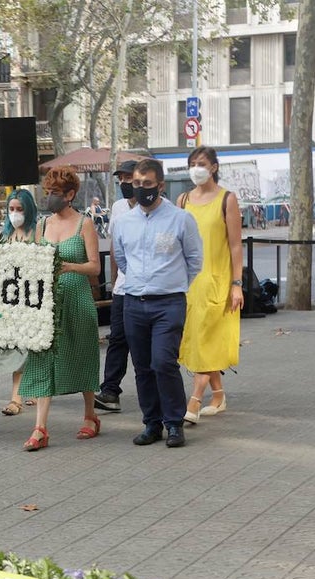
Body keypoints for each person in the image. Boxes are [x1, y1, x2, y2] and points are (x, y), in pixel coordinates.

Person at [112, 158, 202, 448]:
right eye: (136, 184)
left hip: (169, 303)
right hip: (134, 302)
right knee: (142, 367)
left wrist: (173, 285)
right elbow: (122, 259)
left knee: (163, 361)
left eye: (147, 184)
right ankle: (152, 423)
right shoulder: (124, 222)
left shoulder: (180, 218)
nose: (140, 189)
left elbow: (194, 260)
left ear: (160, 186)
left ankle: (174, 423)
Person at [19, 166, 102, 451]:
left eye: (55, 193)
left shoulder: (84, 224)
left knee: (81, 353)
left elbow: (95, 267)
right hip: (48, 303)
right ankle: (40, 427)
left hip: (77, 297)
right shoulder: (41, 226)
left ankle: (90, 415)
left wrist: (68, 267)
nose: (50, 198)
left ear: (70, 195)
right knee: (43, 358)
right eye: (48, 192)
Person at [177, 146, 243, 425]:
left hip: (217, 280)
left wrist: (236, 283)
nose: (196, 168)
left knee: (208, 337)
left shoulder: (227, 199)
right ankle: (218, 395)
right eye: (192, 163)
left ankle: (194, 399)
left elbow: (236, 245)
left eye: (201, 163)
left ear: (214, 167)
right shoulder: (182, 200)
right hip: (187, 284)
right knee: (197, 340)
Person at [94, 160, 138, 413]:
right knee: (117, 339)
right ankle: (110, 390)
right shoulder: (119, 207)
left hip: (149, 288)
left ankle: (157, 391)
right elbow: (114, 245)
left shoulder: (156, 207)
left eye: (128, 178)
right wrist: (113, 279)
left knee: (146, 343)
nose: (124, 184)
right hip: (123, 287)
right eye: (120, 179)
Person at [0, 189, 39, 417]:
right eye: (11, 209)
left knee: (32, 350)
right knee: (17, 351)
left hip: (33, 302)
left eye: (19, 209)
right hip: (11, 302)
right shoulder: (4, 235)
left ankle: (22, 396)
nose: (14, 213)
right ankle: (17, 396)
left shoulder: (37, 233)